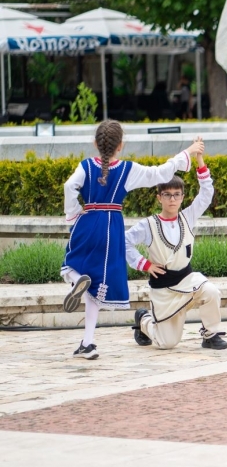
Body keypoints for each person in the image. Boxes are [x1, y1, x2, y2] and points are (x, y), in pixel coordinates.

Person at [61, 120, 204, 359]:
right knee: (95, 289)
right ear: (121, 146)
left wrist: (73, 212)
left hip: (88, 221)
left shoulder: (86, 165)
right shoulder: (128, 170)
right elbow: (160, 172)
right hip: (112, 226)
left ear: (96, 144)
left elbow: (69, 185)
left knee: (68, 266)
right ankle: (88, 343)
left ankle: (77, 280)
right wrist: (188, 152)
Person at [125, 147, 227, 350]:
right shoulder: (148, 224)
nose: (172, 199)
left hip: (187, 280)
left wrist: (199, 159)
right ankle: (144, 320)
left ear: (182, 197)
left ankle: (211, 335)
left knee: (211, 291)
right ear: (159, 198)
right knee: (166, 343)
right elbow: (124, 242)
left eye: (176, 195)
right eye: (167, 195)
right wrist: (144, 264)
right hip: (164, 289)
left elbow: (206, 194)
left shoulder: (188, 217)